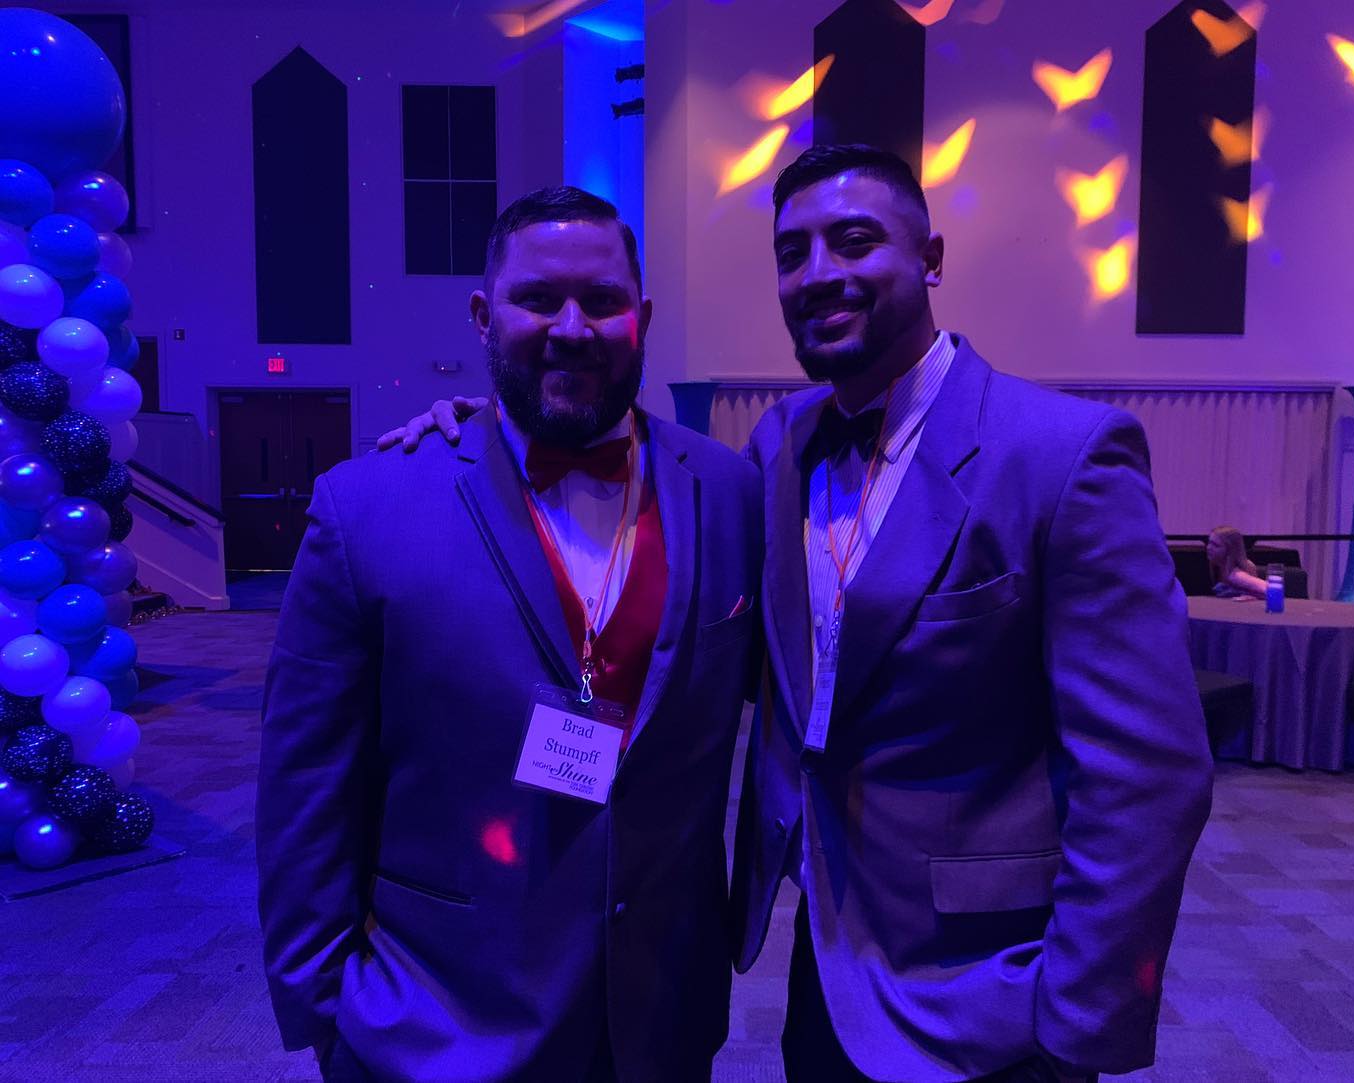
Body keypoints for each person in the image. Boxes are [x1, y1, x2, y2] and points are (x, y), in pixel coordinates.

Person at [382, 146, 1213, 1083]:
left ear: (931, 257)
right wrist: (496, 429)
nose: (819, 273)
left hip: (992, 993)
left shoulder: (1063, 455)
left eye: (854, 241)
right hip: (824, 965)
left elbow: (1149, 772)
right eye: (792, 253)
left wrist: (1076, 1020)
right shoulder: (777, 447)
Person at [258, 187, 762, 1083]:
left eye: (601, 300)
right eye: (537, 299)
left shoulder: (731, 494)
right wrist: (327, 1013)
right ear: (485, 316)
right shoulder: (368, 507)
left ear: (641, 318)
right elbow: (305, 789)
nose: (571, 327)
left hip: (663, 1021)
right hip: (436, 1026)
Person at [1205, 525, 1267, 599]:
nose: (1209, 548)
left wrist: (1254, 597)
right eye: (1209, 543)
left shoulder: (1236, 575)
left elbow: (1270, 590)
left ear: (1230, 550)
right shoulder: (1219, 567)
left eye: (1216, 545)